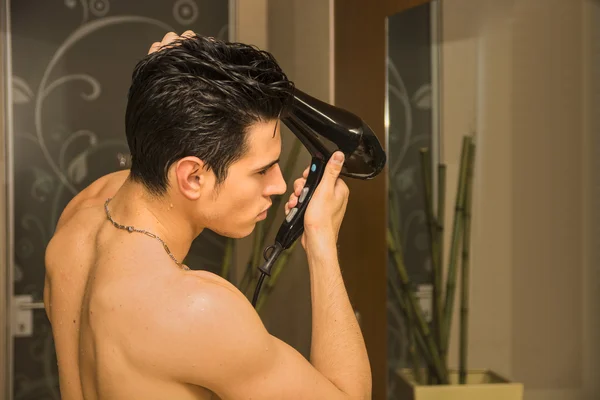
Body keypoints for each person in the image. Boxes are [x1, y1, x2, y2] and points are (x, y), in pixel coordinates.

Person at [44, 31, 371, 400]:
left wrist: (169, 87)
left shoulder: (84, 210)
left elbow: (160, 150)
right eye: (262, 170)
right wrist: (322, 242)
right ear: (193, 177)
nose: (279, 186)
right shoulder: (197, 311)